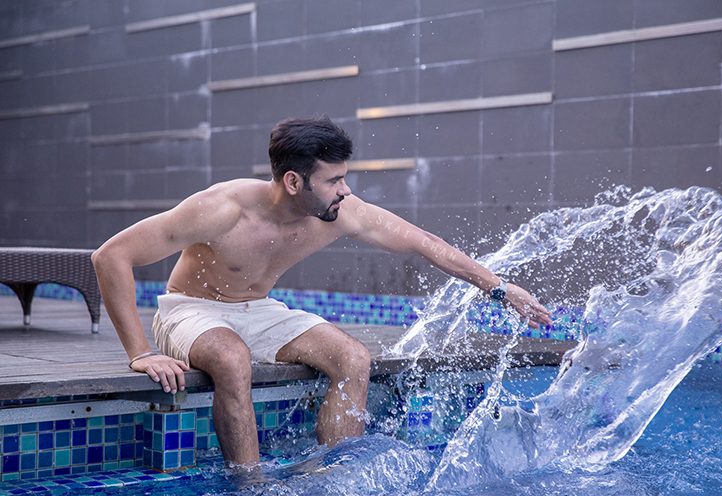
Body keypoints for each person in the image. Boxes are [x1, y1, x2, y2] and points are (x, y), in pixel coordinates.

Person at [92, 116, 552, 468]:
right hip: (191, 310)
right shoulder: (221, 209)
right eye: (333, 180)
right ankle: (250, 490)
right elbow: (110, 256)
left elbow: (426, 245)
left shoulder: (342, 211)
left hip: (260, 310)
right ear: (293, 181)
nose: (344, 190)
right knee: (232, 360)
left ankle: (331, 477)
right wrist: (140, 353)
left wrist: (501, 289)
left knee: (353, 359)